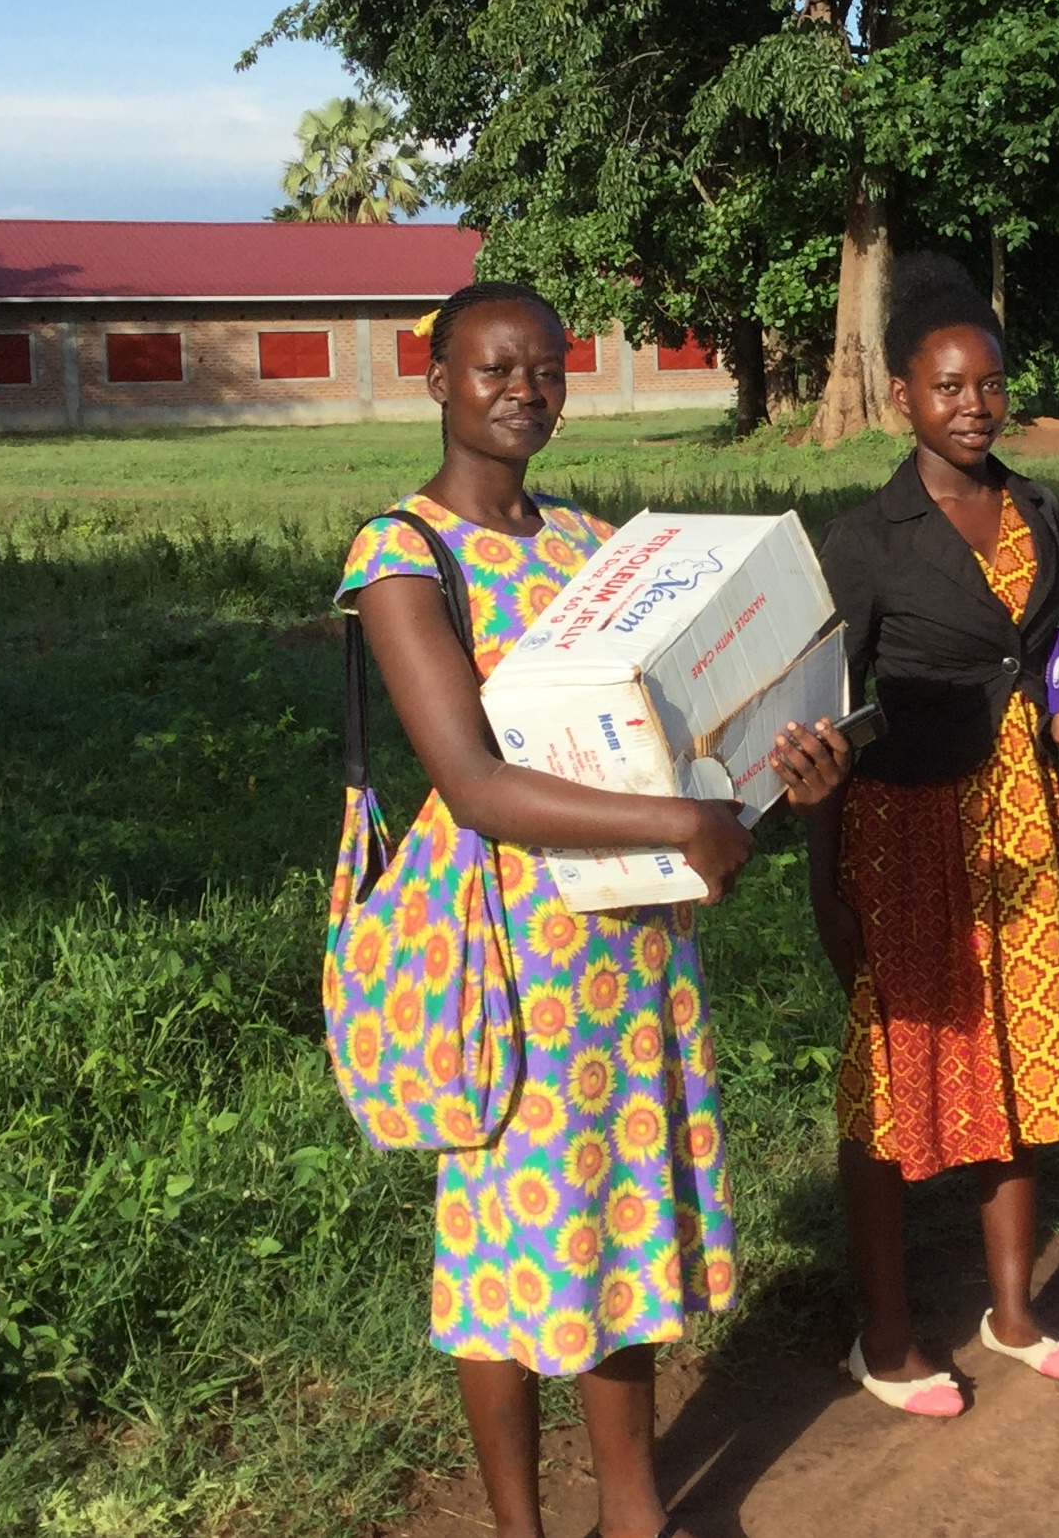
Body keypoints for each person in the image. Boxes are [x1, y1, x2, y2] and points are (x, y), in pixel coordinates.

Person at [340, 280, 851, 1538]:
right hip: (506, 957)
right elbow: (473, 782)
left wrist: (770, 775)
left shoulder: (591, 544)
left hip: (629, 948)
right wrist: (678, 824)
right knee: (500, 1254)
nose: (524, 391)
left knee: (621, 1226)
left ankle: (636, 1511)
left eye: (546, 369)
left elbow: (674, 737)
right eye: (494, 368)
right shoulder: (402, 556)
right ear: (438, 382)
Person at [806, 255, 1059, 1418]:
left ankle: (1014, 1311)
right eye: (947, 387)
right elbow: (824, 719)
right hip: (904, 830)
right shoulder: (867, 539)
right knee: (893, 1080)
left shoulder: (1038, 509)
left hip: (1021, 818)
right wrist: (826, 884)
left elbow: (1037, 660)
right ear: (902, 398)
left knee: (1024, 1058)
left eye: (988, 384)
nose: (973, 406)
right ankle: (884, 1337)